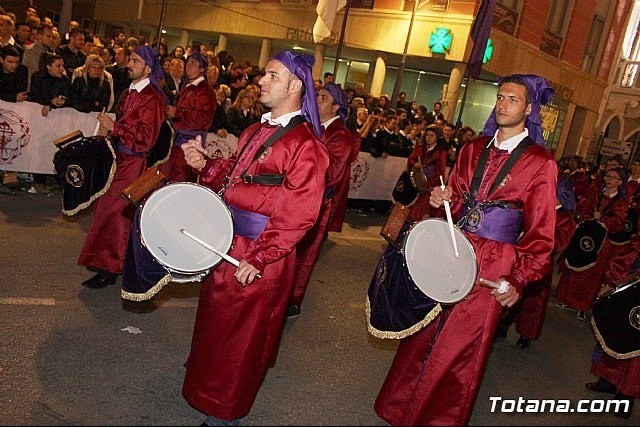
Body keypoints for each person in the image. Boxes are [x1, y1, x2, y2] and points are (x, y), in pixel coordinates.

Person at [374, 74, 557, 425]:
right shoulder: (474, 148)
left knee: (460, 350)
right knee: (423, 330)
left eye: (513, 99)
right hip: (452, 248)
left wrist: (518, 278)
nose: (502, 104)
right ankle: (401, 411)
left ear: (529, 108)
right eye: (500, 97)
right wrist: (442, 198)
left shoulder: (540, 163)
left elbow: (541, 235)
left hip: (494, 262)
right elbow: (454, 199)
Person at [180, 50, 329, 426]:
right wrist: (207, 165)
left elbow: (299, 214)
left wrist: (262, 256)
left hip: (260, 254)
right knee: (216, 327)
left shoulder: (306, 146)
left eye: (272, 76)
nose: (261, 81)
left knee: (241, 340)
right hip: (230, 244)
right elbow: (236, 177)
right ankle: (205, 392)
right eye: (263, 74)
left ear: (296, 85)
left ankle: (223, 412)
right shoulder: (255, 129)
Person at [77, 46, 165, 289]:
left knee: (116, 214)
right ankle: (106, 262)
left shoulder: (152, 98)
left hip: (133, 164)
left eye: (135, 61)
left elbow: (147, 138)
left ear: (148, 68)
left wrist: (115, 128)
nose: (129, 64)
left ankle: (110, 267)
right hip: (119, 159)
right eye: (130, 59)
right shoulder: (128, 93)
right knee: (107, 210)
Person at [287, 82, 355, 317]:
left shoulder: (341, 136)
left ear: (337, 108)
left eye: (323, 98)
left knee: (305, 254)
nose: (316, 100)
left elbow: (331, 173)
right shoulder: (309, 125)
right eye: (317, 95)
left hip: (317, 203)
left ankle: (293, 300)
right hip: (295, 195)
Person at [158, 51, 217, 182]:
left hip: (190, 144)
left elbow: (203, 120)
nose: (188, 65)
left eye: (193, 63)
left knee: (179, 179)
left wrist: (177, 113)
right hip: (176, 142)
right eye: (188, 62)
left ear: (202, 69)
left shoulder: (205, 91)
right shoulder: (187, 86)